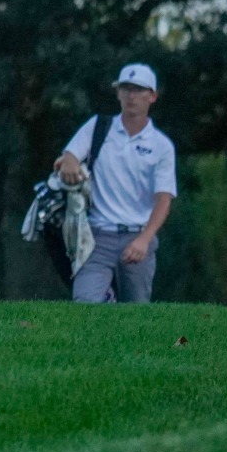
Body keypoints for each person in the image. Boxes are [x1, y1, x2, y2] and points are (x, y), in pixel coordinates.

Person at [55, 63, 177, 303]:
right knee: (85, 303)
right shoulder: (98, 127)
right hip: (96, 237)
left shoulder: (161, 146)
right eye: (126, 89)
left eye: (138, 90)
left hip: (137, 236)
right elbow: (69, 156)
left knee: (135, 310)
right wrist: (69, 162)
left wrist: (144, 239)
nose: (131, 96)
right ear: (118, 93)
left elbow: (163, 200)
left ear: (152, 96)